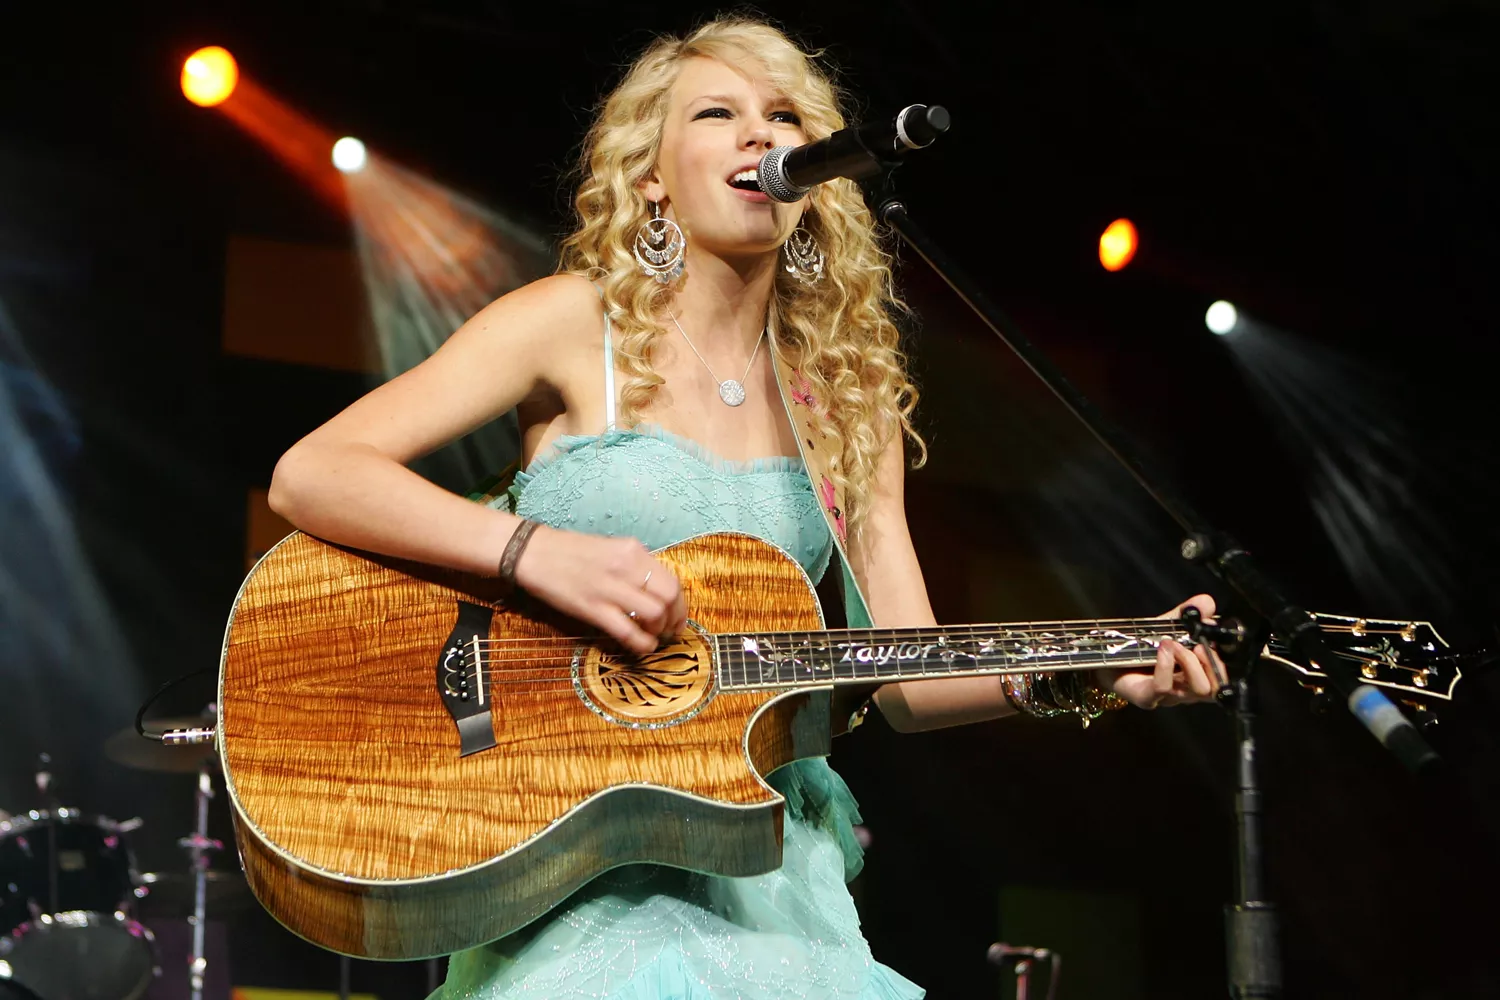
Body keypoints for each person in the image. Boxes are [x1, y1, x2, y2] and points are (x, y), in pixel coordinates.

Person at [267, 16, 1222, 999]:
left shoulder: (842, 402)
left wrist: (1097, 670)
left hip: (763, 863)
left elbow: (907, 676)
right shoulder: (569, 323)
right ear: (651, 175)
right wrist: (533, 551)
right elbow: (317, 470)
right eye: (718, 113)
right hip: (570, 855)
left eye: (783, 115)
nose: (760, 136)